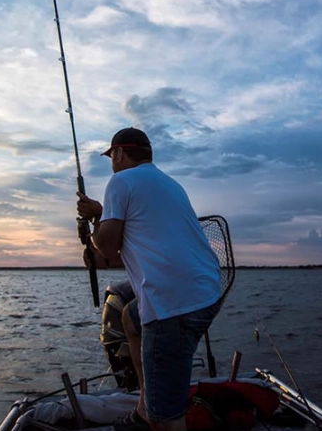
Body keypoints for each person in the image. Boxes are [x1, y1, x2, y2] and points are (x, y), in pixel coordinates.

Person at [76, 127, 222, 431]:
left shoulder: (121, 181)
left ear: (119, 153)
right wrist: (101, 218)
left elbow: (107, 247)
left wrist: (96, 221)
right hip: (206, 293)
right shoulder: (169, 184)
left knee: (165, 420)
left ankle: (156, 414)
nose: (112, 164)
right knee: (130, 318)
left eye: (111, 157)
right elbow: (138, 247)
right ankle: (145, 407)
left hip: (174, 305)